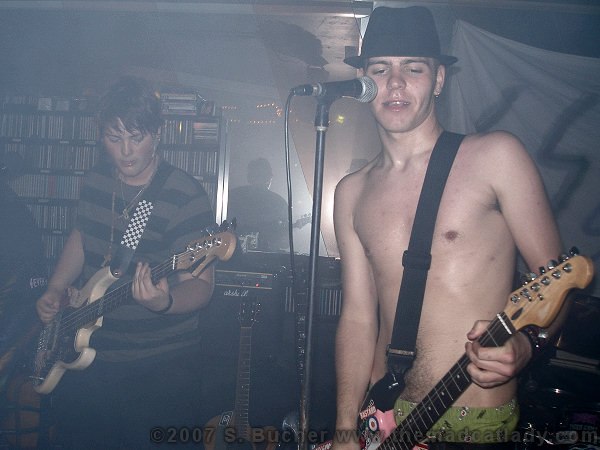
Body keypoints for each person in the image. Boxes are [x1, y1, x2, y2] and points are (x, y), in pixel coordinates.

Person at [332, 6, 563, 449]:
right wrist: (343, 428)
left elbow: (558, 285)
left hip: (474, 424)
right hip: (381, 419)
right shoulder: (351, 191)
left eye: (413, 68)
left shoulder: (496, 157)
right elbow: (358, 317)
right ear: (363, 83)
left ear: (438, 79)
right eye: (380, 69)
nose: (395, 83)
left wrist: (528, 344)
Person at [35, 76, 216, 449]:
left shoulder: (184, 195)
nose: (127, 151)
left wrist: (164, 302)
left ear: (158, 134)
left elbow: (201, 285)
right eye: (114, 139)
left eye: (137, 137)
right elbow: (81, 236)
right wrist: (55, 288)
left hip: (159, 367)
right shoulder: (96, 180)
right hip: (86, 357)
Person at [228, 157, 289, 252]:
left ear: (249, 177)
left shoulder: (233, 195)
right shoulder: (279, 202)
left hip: (234, 253)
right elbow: (285, 243)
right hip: (265, 257)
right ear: (269, 178)